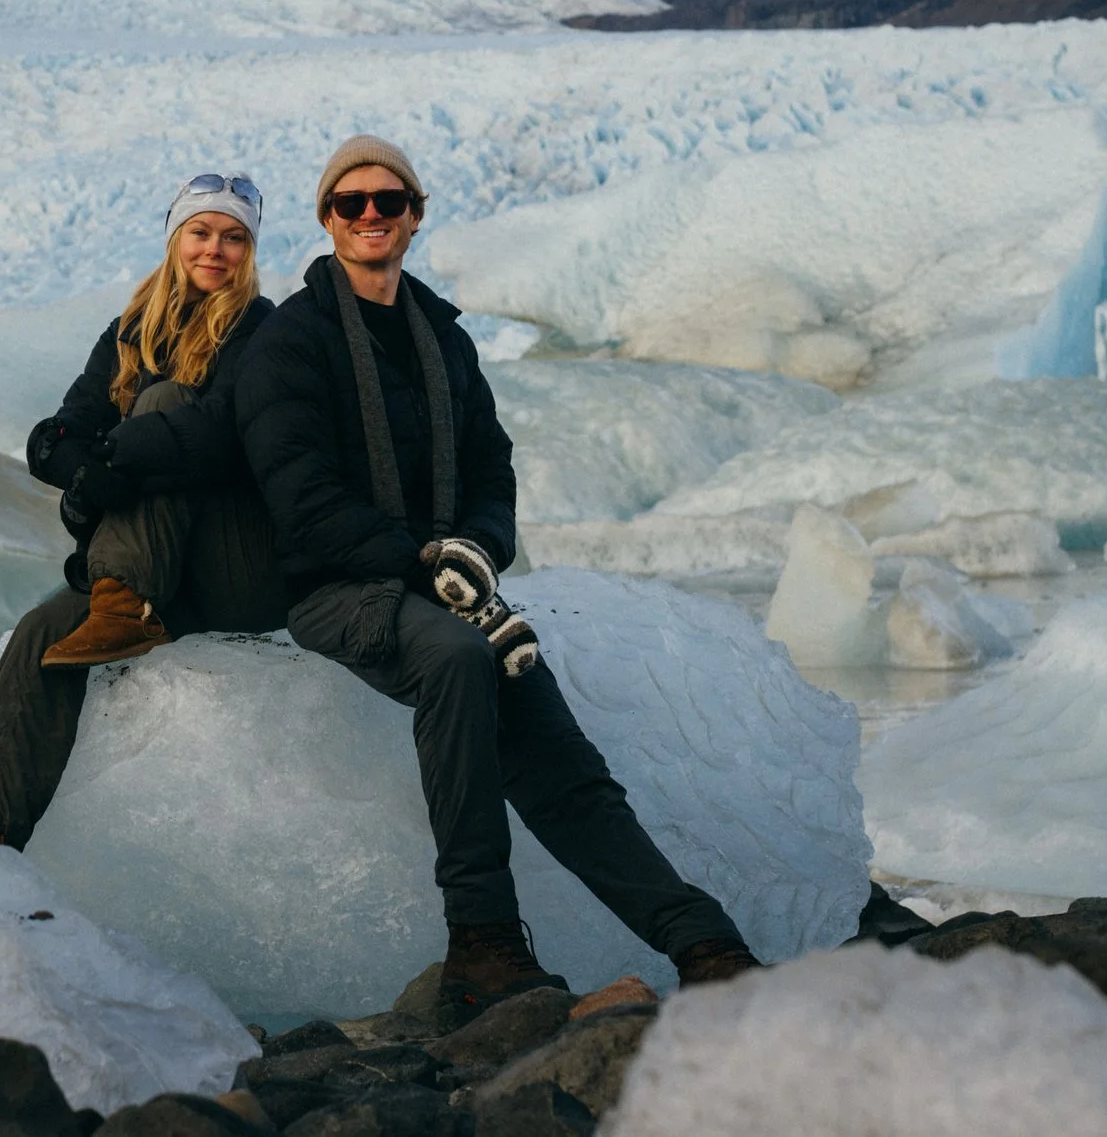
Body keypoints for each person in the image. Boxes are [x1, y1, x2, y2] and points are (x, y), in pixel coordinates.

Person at [235, 134, 760, 1017]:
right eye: (352, 202)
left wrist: (475, 547)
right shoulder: (291, 344)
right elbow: (302, 499)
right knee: (457, 658)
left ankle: (705, 942)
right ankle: (480, 941)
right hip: (338, 588)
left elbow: (491, 469)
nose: (371, 215)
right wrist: (420, 560)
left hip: (450, 584)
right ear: (326, 220)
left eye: (389, 201)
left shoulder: (442, 339)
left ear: (414, 215)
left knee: (565, 761)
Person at [0, 171, 285, 849]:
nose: (214, 249)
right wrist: (87, 472)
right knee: (42, 628)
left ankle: (125, 603)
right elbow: (57, 435)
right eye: (200, 231)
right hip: (165, 570)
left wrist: (117, 456)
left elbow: (223, 434)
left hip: (243, 565)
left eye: (233, 237)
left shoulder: (263, 329)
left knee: (164, 409)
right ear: (174, 238)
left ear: (249, 252)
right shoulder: (132, 329)